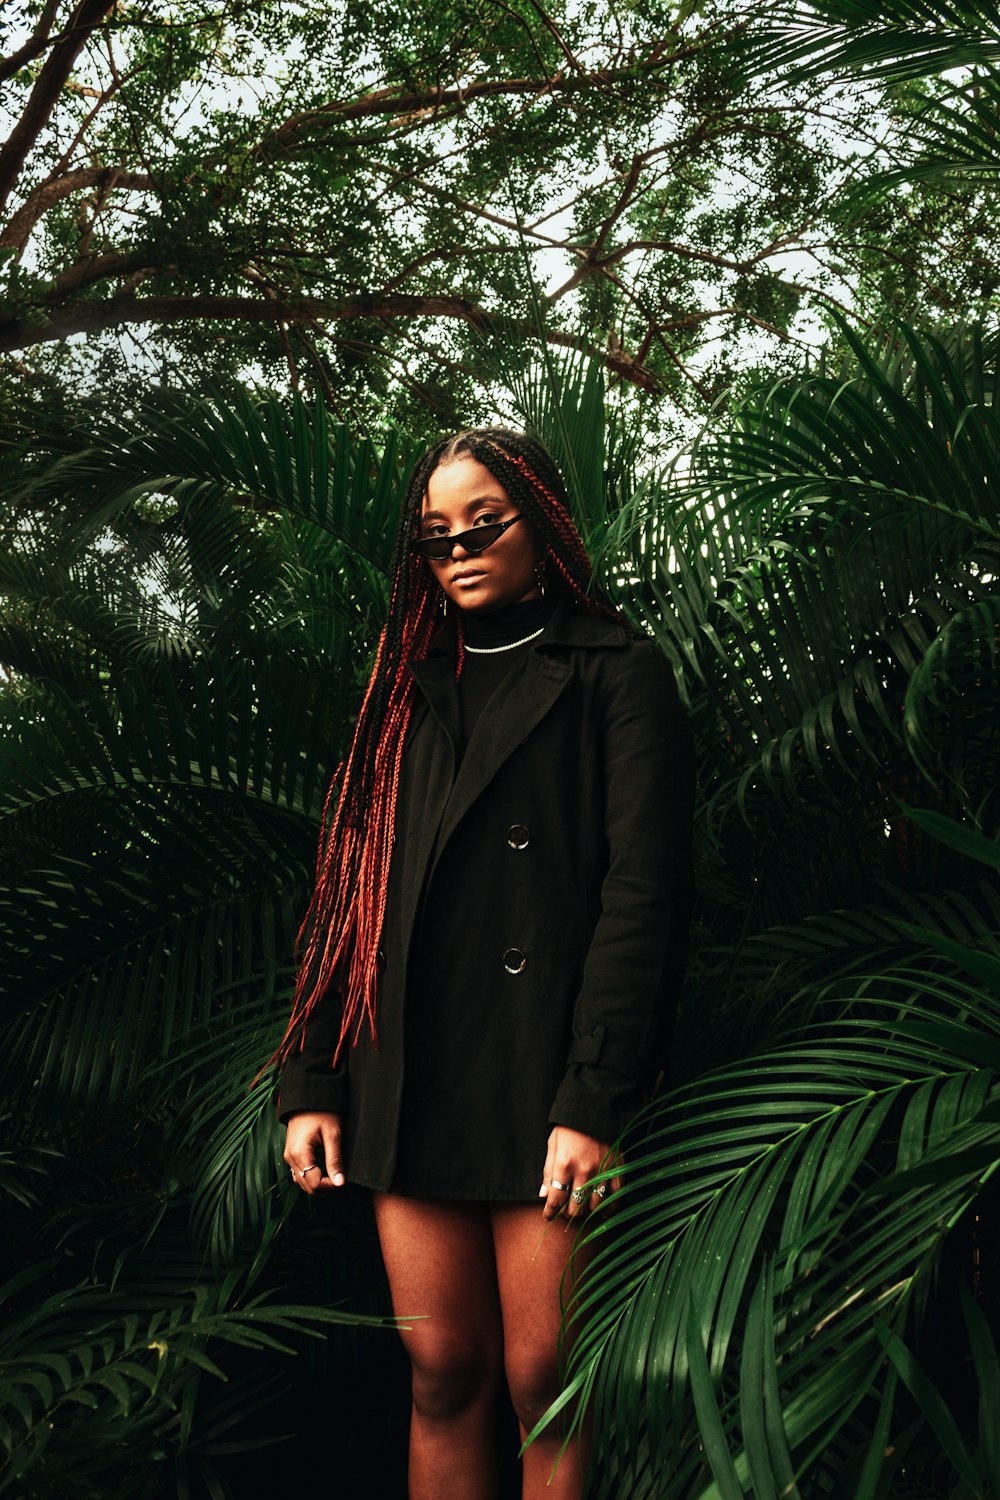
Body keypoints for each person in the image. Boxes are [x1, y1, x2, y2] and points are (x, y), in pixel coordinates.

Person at [276, 427, 694, 1499]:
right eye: (433, 536)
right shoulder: (398, 693)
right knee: (441, 1369)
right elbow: (345, 901)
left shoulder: (617, 672)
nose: (457, 549)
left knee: (543, 1375)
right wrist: (313, 1079)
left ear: (542, 521)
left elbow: (641, 896)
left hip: (539, 1068)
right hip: (404, 1066)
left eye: (482, 523)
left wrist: (593, 1097)